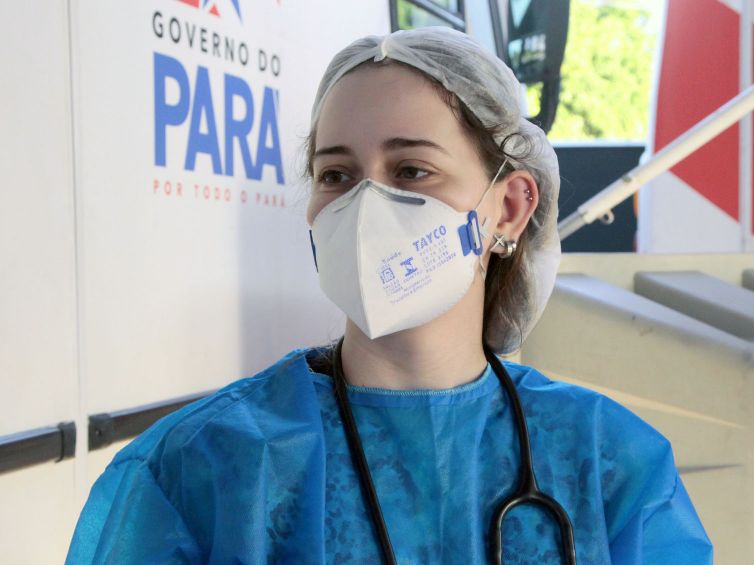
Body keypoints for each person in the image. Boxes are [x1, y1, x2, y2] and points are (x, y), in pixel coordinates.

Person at [66, 27, 713, 564]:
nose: (364, 204)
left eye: (411, 170)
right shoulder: (199, 469)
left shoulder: (610, 465)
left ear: (509, 207)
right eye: (337, 174)